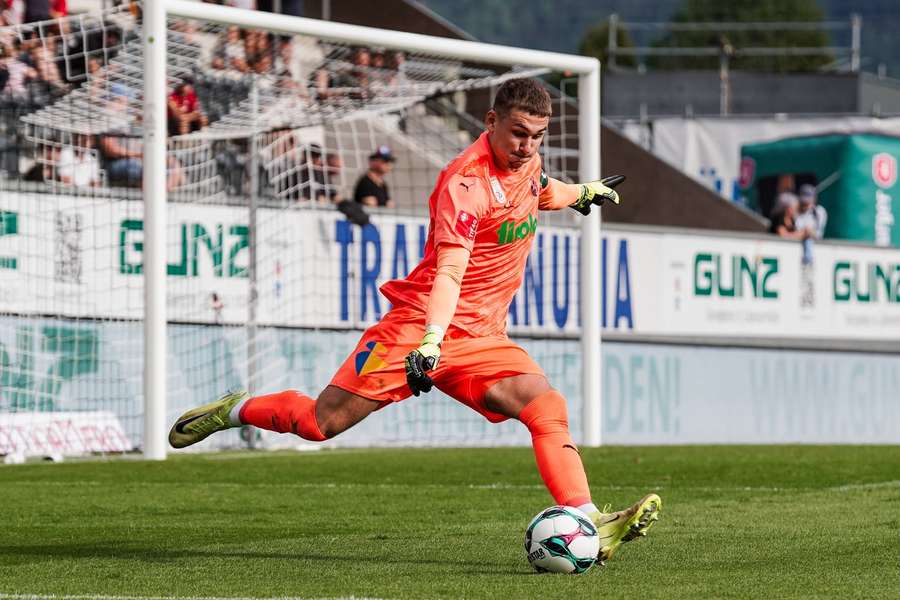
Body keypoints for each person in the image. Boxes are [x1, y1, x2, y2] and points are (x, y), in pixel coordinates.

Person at [168, 78, 660, 564]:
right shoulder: (464, 183)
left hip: (483, 337)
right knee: (322, 423)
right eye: (518, 134)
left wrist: (580, 193)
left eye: (537, 136)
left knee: (546, 405)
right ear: (490, 122)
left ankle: (588, 519)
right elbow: (449, 271)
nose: (527, 145)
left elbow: (539, 188)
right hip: (418, 328)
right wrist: (429, 340)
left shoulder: (527, 161)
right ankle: (233, 410)